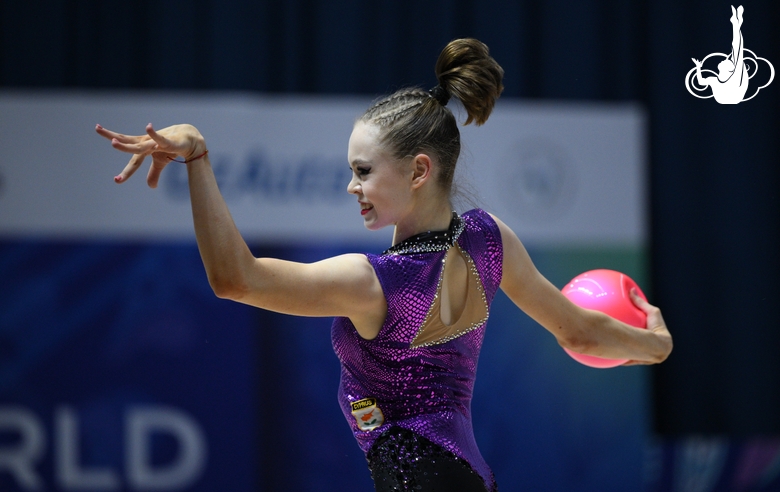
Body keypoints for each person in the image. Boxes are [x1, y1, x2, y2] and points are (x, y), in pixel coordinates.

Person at [96, 38, 672, 492]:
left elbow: (234, 279)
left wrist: (198, 156)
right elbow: (578, 330)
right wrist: (655, 345)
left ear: (419, 171)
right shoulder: (490, 241)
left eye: (364, 172)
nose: (353, 187)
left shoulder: (372, 282)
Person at [692, 5, 748, 104]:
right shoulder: (716, 80)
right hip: (731, 96)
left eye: (726, 61)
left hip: (732, 96)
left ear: (728, 69)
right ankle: (736, 24)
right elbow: (701, 82)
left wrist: (698, 67)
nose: (725, 59)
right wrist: (698, 67)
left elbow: (701, 82)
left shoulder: (721, 79)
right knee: (737, 52)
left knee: (737, 51)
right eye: (728, 61)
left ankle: (736, 23)